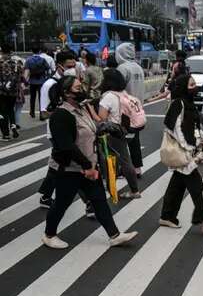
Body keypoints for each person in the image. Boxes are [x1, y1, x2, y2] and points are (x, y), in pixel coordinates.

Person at [42, 75, 138, 249]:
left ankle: (114, 235)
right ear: (66, 93)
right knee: (61, 203)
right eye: (78, 88)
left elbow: (92, 130)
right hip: (70, 168)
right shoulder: (61, 115)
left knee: (99, 200)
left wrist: (106, 131)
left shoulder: (81, 108)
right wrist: (86, 166)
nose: (83, 90)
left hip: (89, 167)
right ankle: (49, 235)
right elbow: (66, 146)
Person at [159, 74, 203, 234]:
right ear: (183, 87)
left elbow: (194, 127)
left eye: (195, 84)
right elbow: (173, 128)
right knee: (196, 185)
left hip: (188, 150)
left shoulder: (189, 103)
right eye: (191, 85)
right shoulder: (178, 104)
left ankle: (167, 216)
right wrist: (191, 145)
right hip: (184, 151)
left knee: (177, 186)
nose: (195, 87)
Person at [38, 51, 78, 209]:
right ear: (59, 65)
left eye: (74, 65)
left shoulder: (69, 83)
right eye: (69, 66)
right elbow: (43, 113)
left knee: (59, 164)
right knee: (73, 163)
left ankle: (46, 195)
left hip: (71, 130)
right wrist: (63, 113)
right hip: (56, 132)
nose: (72, 69)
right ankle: (90, 202)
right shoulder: (49, 85)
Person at [95, 69, 142, 199]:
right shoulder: (124, 94)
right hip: (125, 130)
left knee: (117, 161)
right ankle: (116, 187)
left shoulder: (108, 96)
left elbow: (101, 118)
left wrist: (90, 111)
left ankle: (130, 190)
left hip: (112, 132)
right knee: (122, 159)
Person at [116, 42, 145, 177]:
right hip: (137, 108)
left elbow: (118, 88)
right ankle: (137, 168)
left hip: (125, 110)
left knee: (121, 141)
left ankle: (125, 169)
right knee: (135, 140)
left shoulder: (122, 68)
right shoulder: (138, 67)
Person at [0, 46, 23, 140]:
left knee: (2, 112)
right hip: (13, 92)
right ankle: (13, 126)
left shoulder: (1, 63)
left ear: (2, 52)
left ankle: (5, 134)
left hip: (2, 92)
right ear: (10, 52)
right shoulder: (17, 63)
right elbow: (20, 76)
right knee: (11, 110)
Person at [23, 47, 50, 120]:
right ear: (40, 51)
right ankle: (41, 114)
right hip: (41, 80)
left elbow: (27, 71)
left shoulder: (29, 60)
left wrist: (25, 81)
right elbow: (48, 68)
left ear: (32, 51)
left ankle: (32, 111)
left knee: (32, 97)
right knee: (41, 98)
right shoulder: (43, 60)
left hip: (32, 81)